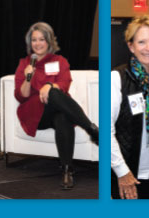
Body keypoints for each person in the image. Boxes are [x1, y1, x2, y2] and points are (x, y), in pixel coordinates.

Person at [14, 21, 99, 189]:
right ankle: (91, 129)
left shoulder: (59, 61)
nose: (37, 44)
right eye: (34, 40)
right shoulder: (25, 63)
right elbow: (21, 96)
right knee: (53, 94)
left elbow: (64, 83)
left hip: (57, 109)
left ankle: (67, 170)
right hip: (35, 113)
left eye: (42, 39)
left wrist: (50, 86)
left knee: (62, 116)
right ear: (29, 43)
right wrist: (28, 78)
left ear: (49, 41)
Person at [111, 16, 149, 199]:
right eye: (141, 42)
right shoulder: (117, 78)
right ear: (131, 46)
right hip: (125, 175)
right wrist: (122, 172)